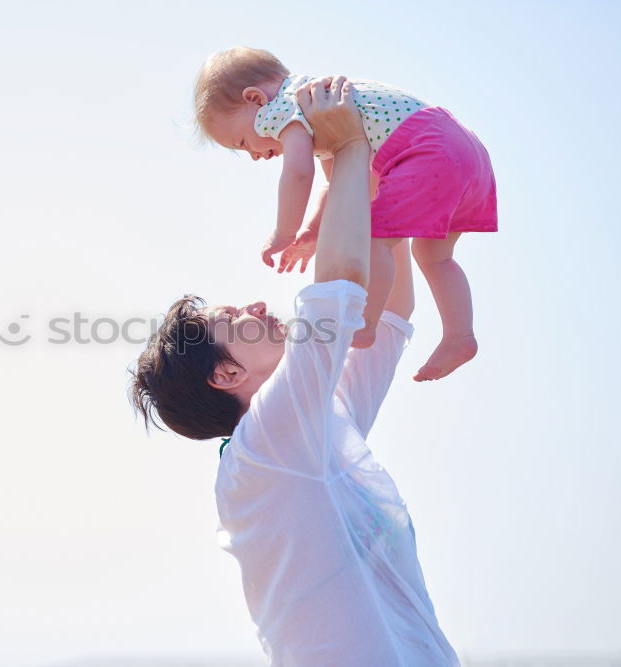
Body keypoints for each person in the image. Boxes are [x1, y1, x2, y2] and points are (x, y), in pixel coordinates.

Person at [130, 77, 460, 666]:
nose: (256, 306)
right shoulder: (264, 446)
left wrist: (381, 174)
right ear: (224, 375)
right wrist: (351, 148)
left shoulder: (314, 424)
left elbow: (388, 314)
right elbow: (340, 289)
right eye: (231, 319)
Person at [193, 46, 498, 381]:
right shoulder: (317, 104)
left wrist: (284, 232)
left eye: (241, 142)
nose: (252, 155)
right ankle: (460, 336)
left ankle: (365, 323)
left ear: (254, 99)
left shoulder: (281, 108)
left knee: (371, 239)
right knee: (434, 256)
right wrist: (311, 231)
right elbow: (332, 182)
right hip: (464, 149)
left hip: (427, 151)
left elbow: (298, 173)